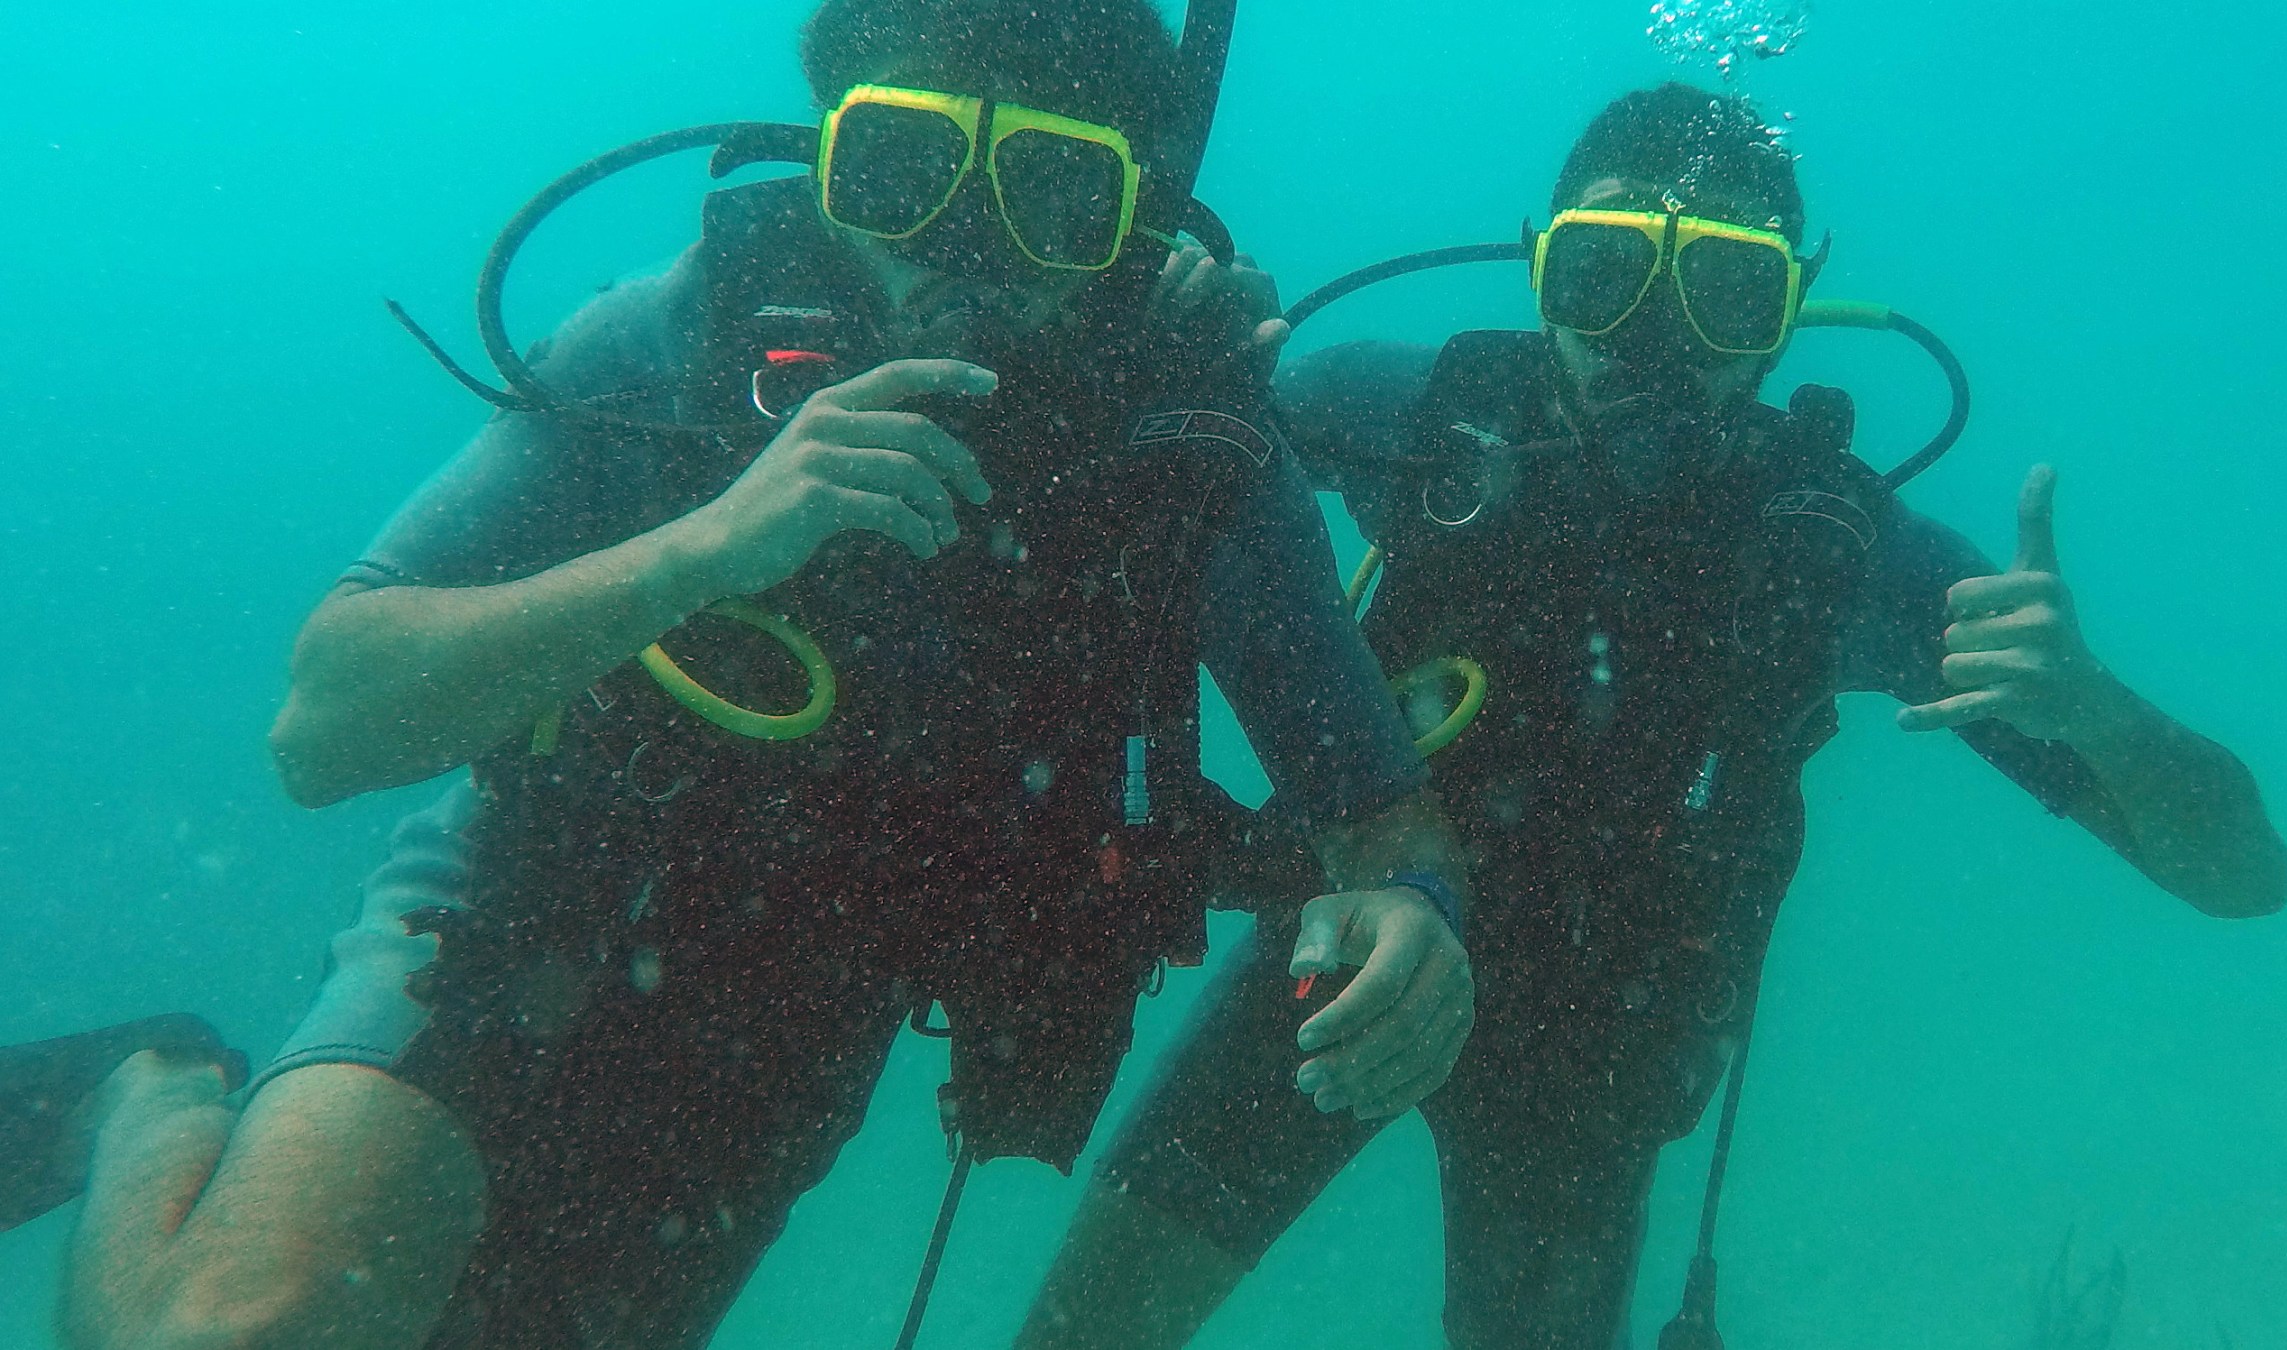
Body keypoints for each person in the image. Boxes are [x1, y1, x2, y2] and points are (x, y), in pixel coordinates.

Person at [23, 3, 1479, 1346]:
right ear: (827, 148)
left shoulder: (1184, 456)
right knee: (237, 1333)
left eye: (1047, 191)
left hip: (787, 1041)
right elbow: (321, 724)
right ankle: (145, 1094)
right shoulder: (687, 338)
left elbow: (1385, 828)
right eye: (904, 165)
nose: (960, 247)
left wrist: (1412, 917)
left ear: (1126, 214)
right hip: (522, 917)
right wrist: (710, 542)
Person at [1015, 81, 2287, 1350]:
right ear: (1537, 262)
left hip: (1596, 1049)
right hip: (1347, 955)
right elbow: (1150, 462)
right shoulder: (1409, 414)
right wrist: (1175, 332)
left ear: (1789, 309)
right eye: (1606, 270)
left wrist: (2100, 712)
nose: (1653, 339)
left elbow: (2242, 877)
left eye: (1726, 292)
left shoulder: (1840, 551)